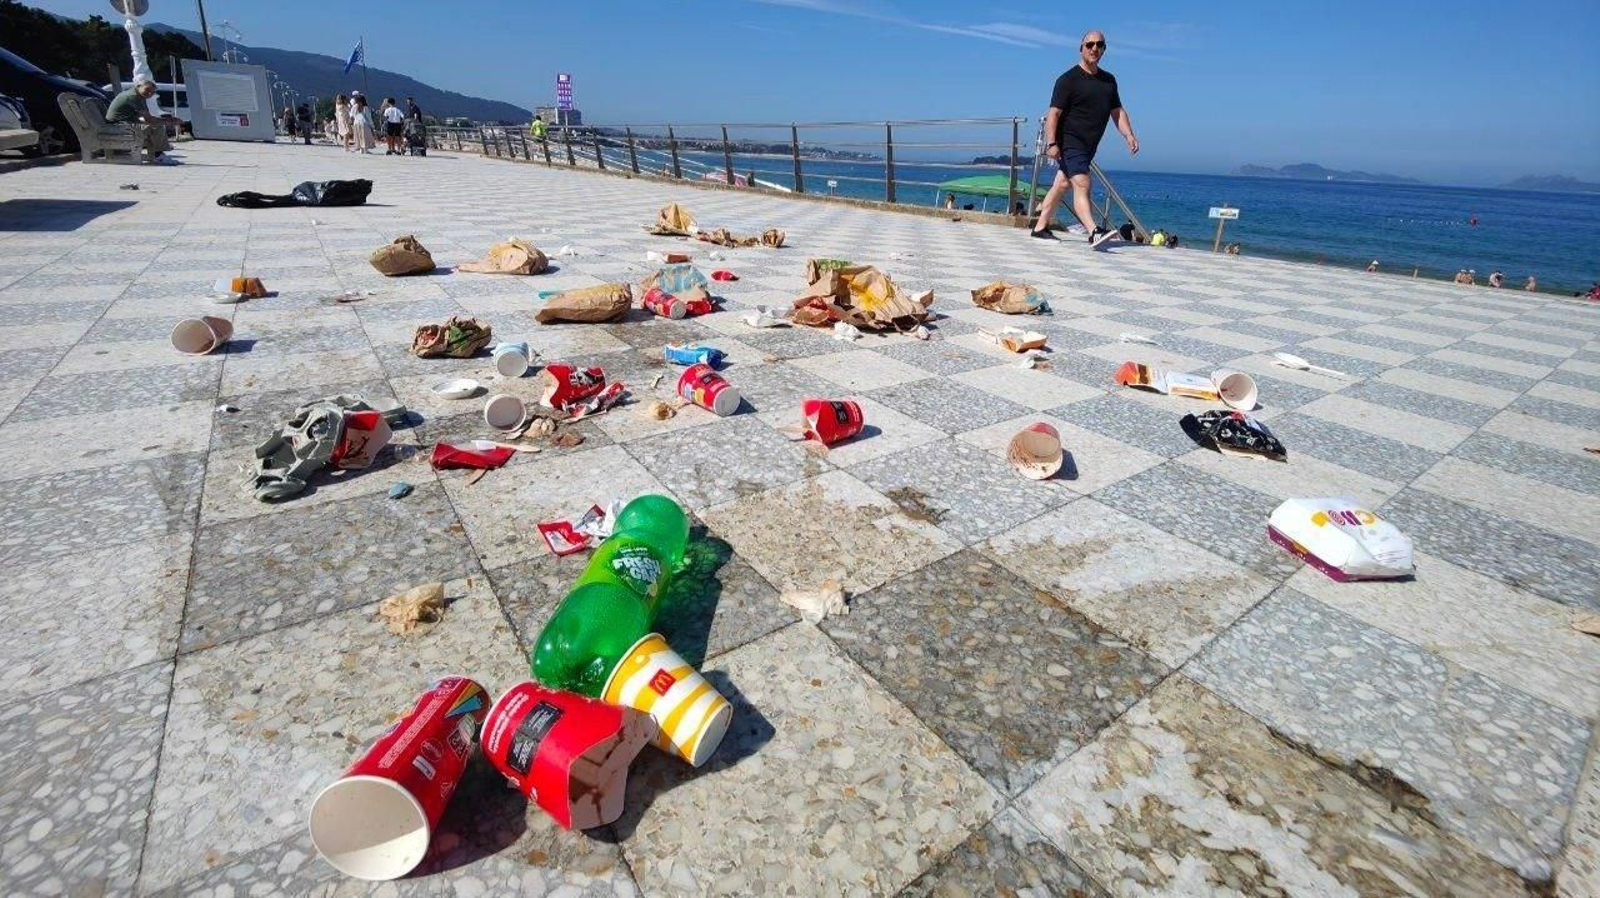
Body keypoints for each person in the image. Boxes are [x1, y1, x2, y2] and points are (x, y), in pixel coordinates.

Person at [1029, 29, 1140, 249]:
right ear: (1081, 49)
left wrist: (1129, 135)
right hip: (1070, 141)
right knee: (1082, 182)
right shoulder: (1067, 80)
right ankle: (1094, 231)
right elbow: (1054, 114)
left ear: (1104, 50)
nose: (1094, 49)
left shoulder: (1109, 81)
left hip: (1089, 145)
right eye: (1089, 45)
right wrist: (1051, 143)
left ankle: (1040, 227)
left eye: (1099, 45)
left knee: (1062, 183)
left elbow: (1117, 112)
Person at [104, 77, 176, 159]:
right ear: (138, 86)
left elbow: (146, 117)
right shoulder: (133, 97)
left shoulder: (139, 96)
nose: (149, 93)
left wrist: (163, 121)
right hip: (117, 125)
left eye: (152, 92)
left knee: (155, 126)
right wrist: (169, 121)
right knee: (157, 127)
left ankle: (159, 151)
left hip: (123, 122)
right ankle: (158, 154)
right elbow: (149, 119)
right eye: (147, 90)